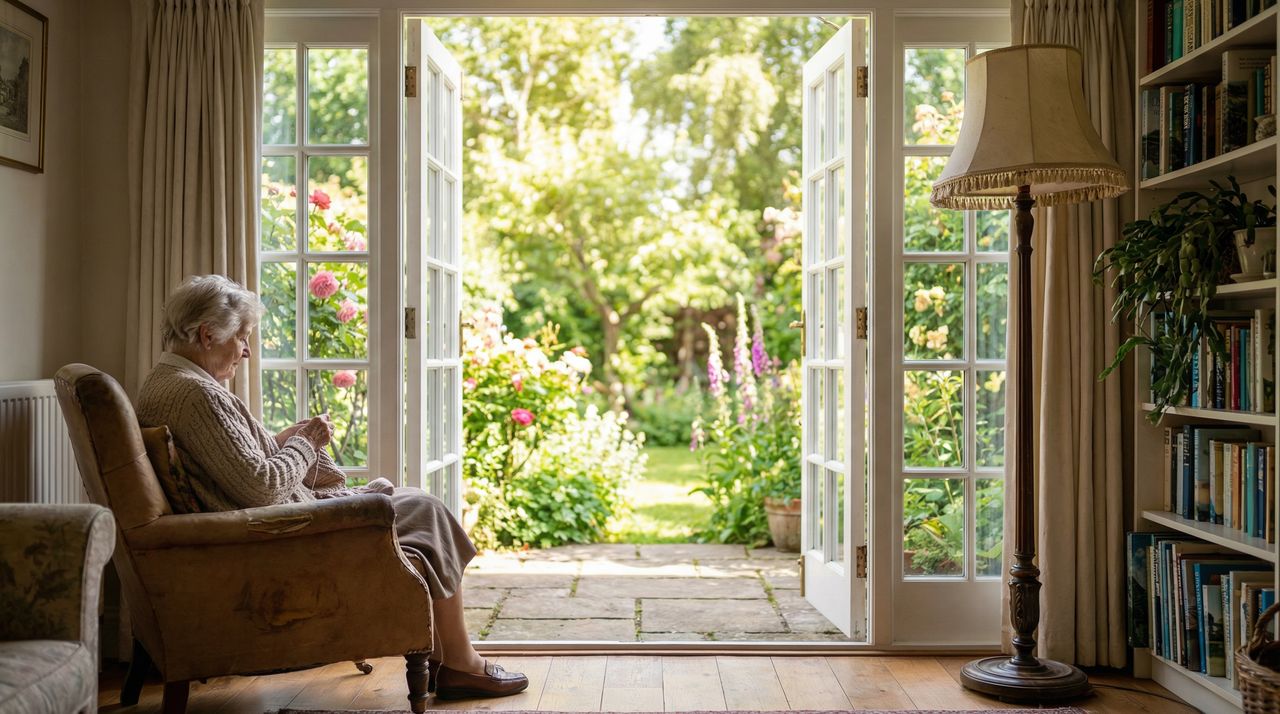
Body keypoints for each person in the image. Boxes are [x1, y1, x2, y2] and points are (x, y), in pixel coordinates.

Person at [136, 274, 526, 700]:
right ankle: (461, 665)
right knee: (427, 509)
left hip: (265, 527)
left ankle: (447, 658)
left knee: (409, 503)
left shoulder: (165, 383)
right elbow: (261, 487)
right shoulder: (197, 395)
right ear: (208, 335)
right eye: (242, 337)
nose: (247, 350)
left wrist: (282, 440)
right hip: (281, 536)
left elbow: (236, 464)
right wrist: (306, 443)